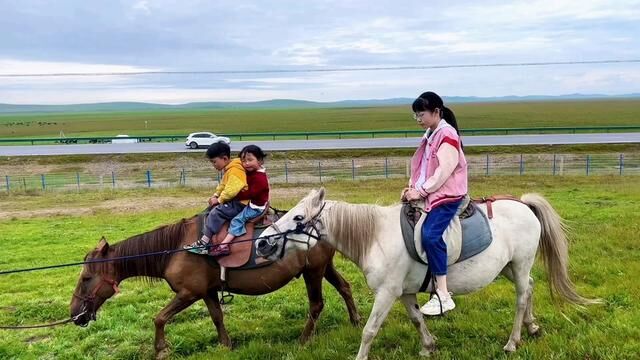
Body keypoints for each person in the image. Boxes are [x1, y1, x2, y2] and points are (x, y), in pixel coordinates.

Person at [401, 91, 468, 316]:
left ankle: (443, 294)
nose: (418, 119)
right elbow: (422, 168)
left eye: (421, 114)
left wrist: (420, 191)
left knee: (430, 235)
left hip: (447, 195)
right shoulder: (431, 133)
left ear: (436, 112)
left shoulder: (446, 134)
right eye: (416, 116)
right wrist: (412, 188)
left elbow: (443, 172)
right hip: (431, 193)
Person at [184, 142, 248, 255]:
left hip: (241, 203)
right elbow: (223, 186)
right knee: (210, 209)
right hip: (234, 200)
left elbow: (231, 190)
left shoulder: (235, 170)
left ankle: (204, 243)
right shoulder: (229, 169)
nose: (213, 165)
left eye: (214, 162)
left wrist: (219, 200)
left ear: (224, 158)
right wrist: (215, 195)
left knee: (216, 212)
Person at [213, 145, 270, 257]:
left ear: (260, 160)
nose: (246, 164)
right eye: (243, 161)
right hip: (252, 203)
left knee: (237, 220)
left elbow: (249, 193)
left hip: (255, 207)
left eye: (250, 160)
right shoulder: (253, 173)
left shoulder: (260, 178)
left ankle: (224, 245)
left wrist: (234, 193)